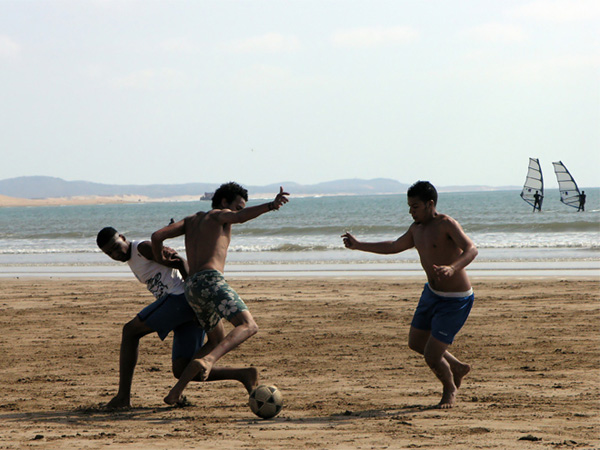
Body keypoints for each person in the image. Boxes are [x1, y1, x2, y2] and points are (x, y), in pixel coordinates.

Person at [341, 181, 478, 409]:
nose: (411, 211)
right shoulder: (417, 229)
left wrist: (453, 268)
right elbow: (394, 246)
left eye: (415, 206)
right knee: (416, 343)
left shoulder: (446, 224)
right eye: (409, 207)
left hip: (456, 299)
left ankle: (449, 389)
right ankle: (457, 366)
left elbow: (471, 249)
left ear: (429, 204)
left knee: (432, 356)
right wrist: (358, 245)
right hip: (432, 293)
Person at [150, 182, 289, 405]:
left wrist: (159, 259)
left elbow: (157, 236)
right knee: (249, 326)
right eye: (237, 206)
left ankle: (176, 392)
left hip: (192, 287)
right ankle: (208, 360)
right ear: (224, 202)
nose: (237, 212)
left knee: (216, 339)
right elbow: (241, 217)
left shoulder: (190, 220)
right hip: (211, 280)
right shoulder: (218, 215)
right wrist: (271, 205)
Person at [96, 227, 258, 409]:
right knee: (181, 369)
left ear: (123, 238)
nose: (115, 254)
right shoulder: (133, 259)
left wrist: (194, 297)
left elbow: (182, 262)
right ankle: (243, 374)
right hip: (183, 307)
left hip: (180, 299)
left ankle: (122, 397)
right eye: (109, 253)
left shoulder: (142, 249)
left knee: (130, 331)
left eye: (116, 247)